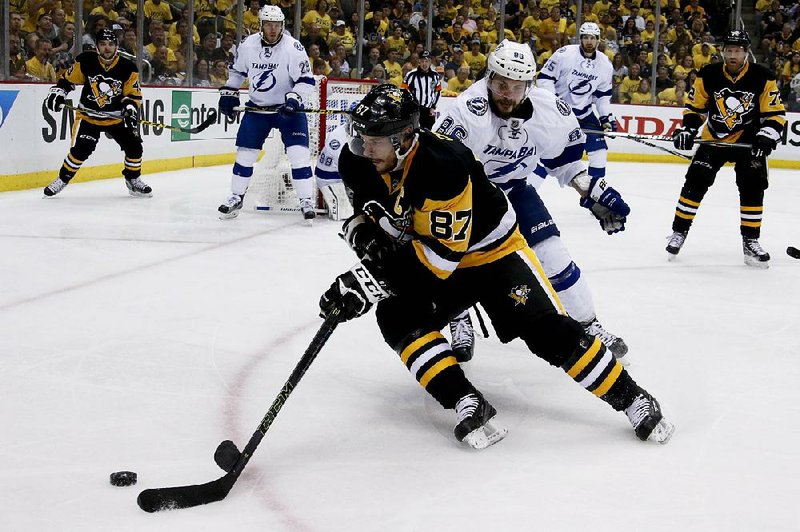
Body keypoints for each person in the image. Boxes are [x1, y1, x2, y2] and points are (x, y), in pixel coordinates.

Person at [319, 84, 674, 449]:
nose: (363, 146)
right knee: (396, 317)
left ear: (405, 137)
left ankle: (633, 398)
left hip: (491, 254)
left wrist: (367, 281)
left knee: (546, 333)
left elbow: (439, 263)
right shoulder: (358, 160)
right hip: (435, 252)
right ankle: (465, 400)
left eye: (374, 139)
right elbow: (368, 214)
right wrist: (364, 242)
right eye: (360, 135)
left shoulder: (442, 167)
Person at [434, 40, 631, 364]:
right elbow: (437, 168)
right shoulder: (466, 111)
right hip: (466, 197)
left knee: (554, 254)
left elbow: (566, 166)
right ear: (490, 78)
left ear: (528, 85)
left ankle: (589, 325)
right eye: (501, 84)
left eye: (516, 86)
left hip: (514, 191)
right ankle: (459, 319)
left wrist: (593, 191)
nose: (507, 94)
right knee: (451, 264)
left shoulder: (548, 110)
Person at [667, 29, 786, 268]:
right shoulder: (708, 73)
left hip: (747, 142)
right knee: (695, 182)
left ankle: (750, 241)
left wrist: (766, 136)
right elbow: (695, 109)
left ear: (746, 52)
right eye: (729, 50)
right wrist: (688, 130)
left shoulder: (763, 76)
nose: (733, 55)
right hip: (714, 139)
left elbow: (774, 114)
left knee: (753, 186)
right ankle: (679, 232)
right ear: (723, 52)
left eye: (738, 51)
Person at [216, 5, 316, 220]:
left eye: (277, 25)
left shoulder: (294, 47)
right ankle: (236, 196)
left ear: (282, 26)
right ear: (260, 25)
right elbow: (237, 73)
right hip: (257, 108)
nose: (273, 29)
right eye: (269, 24)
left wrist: (294, 98)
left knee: (299, 156)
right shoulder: (248, 45)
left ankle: (306, 200)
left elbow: (307, 81)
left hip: (288, 110)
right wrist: (229, 93)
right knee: (245, 154)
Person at [42, 29, 151, 198]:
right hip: (89, 116)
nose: (107, 48)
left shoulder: (128, 67)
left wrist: (130, 108)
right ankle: (62, 179)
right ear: (97, 46)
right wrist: (59, 91)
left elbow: (132, 95)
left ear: (116, 46)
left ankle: (133, 179)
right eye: (102, 44)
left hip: (115, 118)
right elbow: (67, 80)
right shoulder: (86, 61)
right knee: (81, 150)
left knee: (134, 146)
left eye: (110, 44)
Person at [537, 22, 617, 184]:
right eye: (586, 37)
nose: (589, 41)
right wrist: (555, 106)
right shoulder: (564, 54)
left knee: (599, 151)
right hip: (559, 115)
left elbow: (602, 96)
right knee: (546, 153)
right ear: (580, 39)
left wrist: (606, 118)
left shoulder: (605, 65)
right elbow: (544, 79)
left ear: (598, 40)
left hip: (585, 114)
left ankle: (596, 194)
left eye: (593, 38)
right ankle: (527, 189)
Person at [401, 50, 442, 129]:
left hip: (428, 110)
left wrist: (433, 107)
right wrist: (409, 106)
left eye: (426, 61)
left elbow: (438, 91)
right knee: (413, 132)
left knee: (428, 134)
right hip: (415, 109)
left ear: (430, 62)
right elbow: (404, 91)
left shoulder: (435, 75)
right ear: (419, 61)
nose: (424, 64)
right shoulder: (411, 75)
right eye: (422, 61)